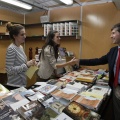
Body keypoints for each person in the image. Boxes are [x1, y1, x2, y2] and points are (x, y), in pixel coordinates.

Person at [79, 23, 120, 120]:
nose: (111, 36)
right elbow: (98, 60)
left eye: (113, 33)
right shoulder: (113, 51)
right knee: (117, 112)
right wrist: (79, 61)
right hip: (116, 87)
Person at [5, 22, 35, 89]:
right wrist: (26, 65)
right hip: (14, 86)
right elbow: (9, 70)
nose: (25, 36)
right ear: (14, 36)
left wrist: (30, 64)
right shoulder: (11, 49)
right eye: (22, 34)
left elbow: (21, 64)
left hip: (22, 84)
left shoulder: (20, 47)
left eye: (25, 34)